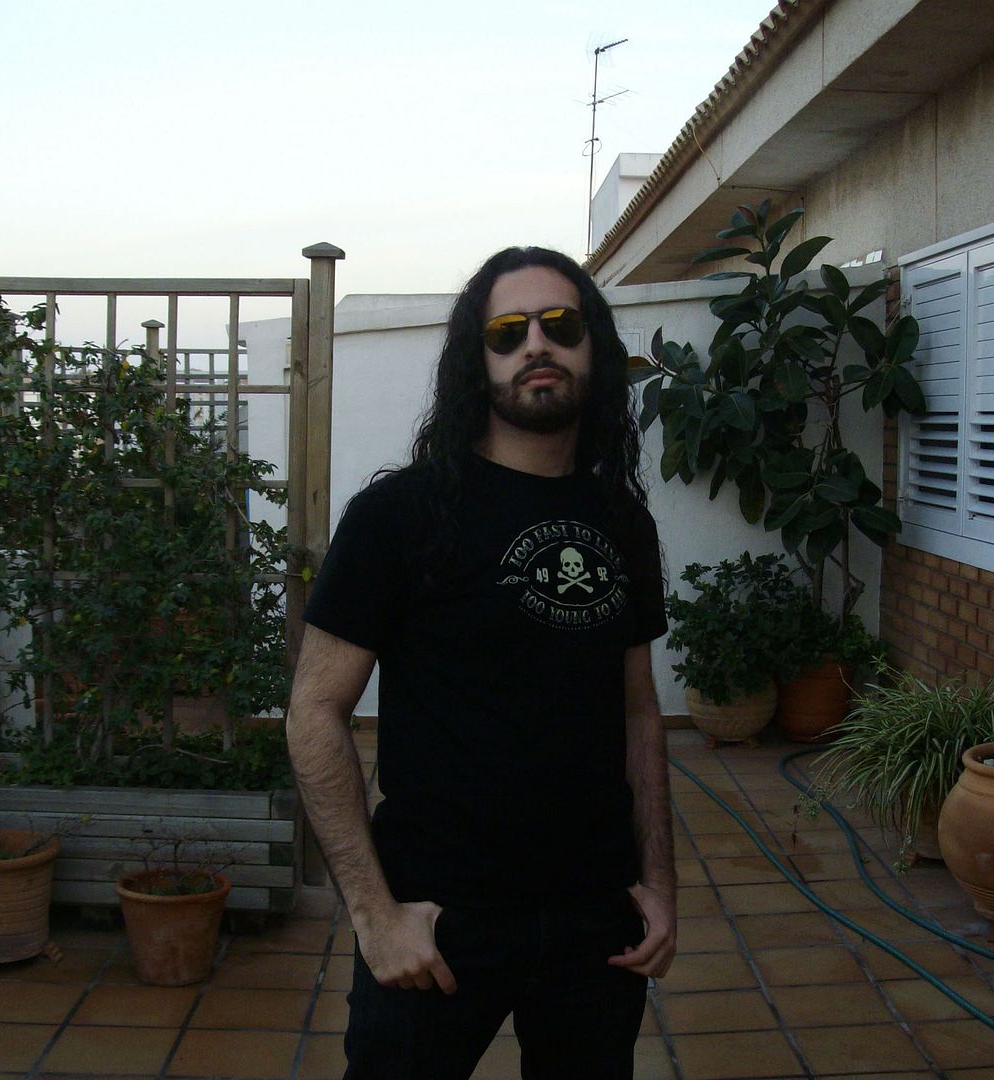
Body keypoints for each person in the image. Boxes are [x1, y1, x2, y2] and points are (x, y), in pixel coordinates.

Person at [287, 246, 676, 1079]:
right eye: (508, 331)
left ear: (594, 346)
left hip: (594, 919)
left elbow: (639, 712)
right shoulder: (400, 516)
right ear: (479, 356)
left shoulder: (621, 521)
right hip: (438, 916)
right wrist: (374, 914)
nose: (536, 343)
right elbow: (314, 711)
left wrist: (658, 884)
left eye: (560, 324)